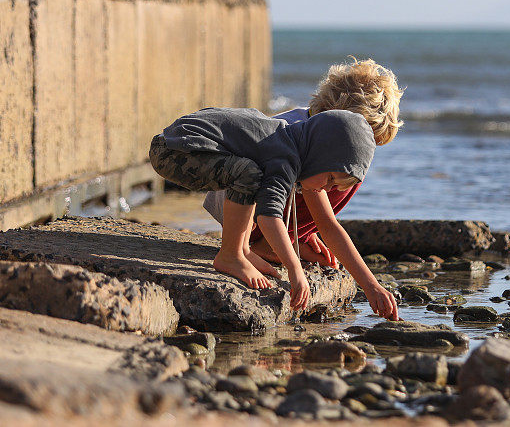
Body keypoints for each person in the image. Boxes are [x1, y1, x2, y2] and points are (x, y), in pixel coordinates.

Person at [149, 108, 398, 320]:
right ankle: (230, 255)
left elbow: (327, 225)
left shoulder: (289, 140)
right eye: (331, 178)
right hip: (174, 151)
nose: (328, 189)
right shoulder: (285, 158)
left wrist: (370, 285)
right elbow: (269, 218)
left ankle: (242, 250)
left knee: (251, 173)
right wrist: (294, 269)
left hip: (179, 141)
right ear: (322, 153)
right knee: (248, 174)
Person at [203, 57, 403, 269]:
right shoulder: (309, 147)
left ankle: (292, 236)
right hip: (249, 216)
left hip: (238, 205)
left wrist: (307, 232)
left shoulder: (301, 121)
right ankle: (269, 245)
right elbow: (328, 223)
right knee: (342, 176)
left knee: (345, 174)